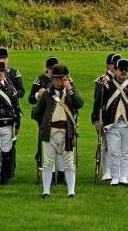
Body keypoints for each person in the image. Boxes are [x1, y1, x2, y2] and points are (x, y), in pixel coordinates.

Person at [33, 64, 83, 198]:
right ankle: (46, 191)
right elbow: (37, 112)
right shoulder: (47, 94)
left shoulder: (70, 93)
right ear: (53, 79)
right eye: (58, 78)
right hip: (50, 132)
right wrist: (44, 125)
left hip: (67, 133)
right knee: (48, 163)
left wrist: (70, 88)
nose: (61, 80)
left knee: (69, 164)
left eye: (63, 78)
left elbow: (80, 104)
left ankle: (71, 191)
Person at [92, 58, 128, 186]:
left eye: (126, 70)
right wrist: (97, 121)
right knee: (113, 152)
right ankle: (115, 177)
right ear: (115, 70)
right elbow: (97, 104)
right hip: (111, 124)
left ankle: (124, 177)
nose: (123, 72)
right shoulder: (106, 86)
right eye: (121, 70)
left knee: (126, 153)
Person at [29, 56, 66, 184]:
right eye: (50, 69)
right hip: (46, 119)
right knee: (48, 150)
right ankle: (50, 177)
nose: (52, 71)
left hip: (62, 118)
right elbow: (31, 99)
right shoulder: (39, 80)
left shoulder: (65, 79)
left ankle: (61, 176)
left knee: (62, 150)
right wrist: (38, 94)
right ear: (46, 68)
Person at [92, 53, 121, 181]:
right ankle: (107, 171)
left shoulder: (122, 79)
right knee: (105, 145)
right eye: (113, 63)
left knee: (118, 146)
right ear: (108, 65)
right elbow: (97, 100)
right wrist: (97, 120)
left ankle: (118, 171)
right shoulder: (101, 80)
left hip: (119, 116)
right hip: (105, 116)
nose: (116, 66)